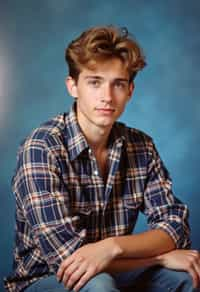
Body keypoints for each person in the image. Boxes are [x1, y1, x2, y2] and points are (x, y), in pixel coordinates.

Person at [4, 25, 200, 292]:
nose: (107, 97)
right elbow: (72, 259)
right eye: (94, 82)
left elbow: (175, 226)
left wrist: (113, 247)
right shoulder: (41, 148)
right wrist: (160, 258)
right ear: (73, 86)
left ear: (130, 90)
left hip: (116, 269)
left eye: (117, 84)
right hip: (46, 278)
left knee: (187, 276)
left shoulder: (141, 146)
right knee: (100, 285)